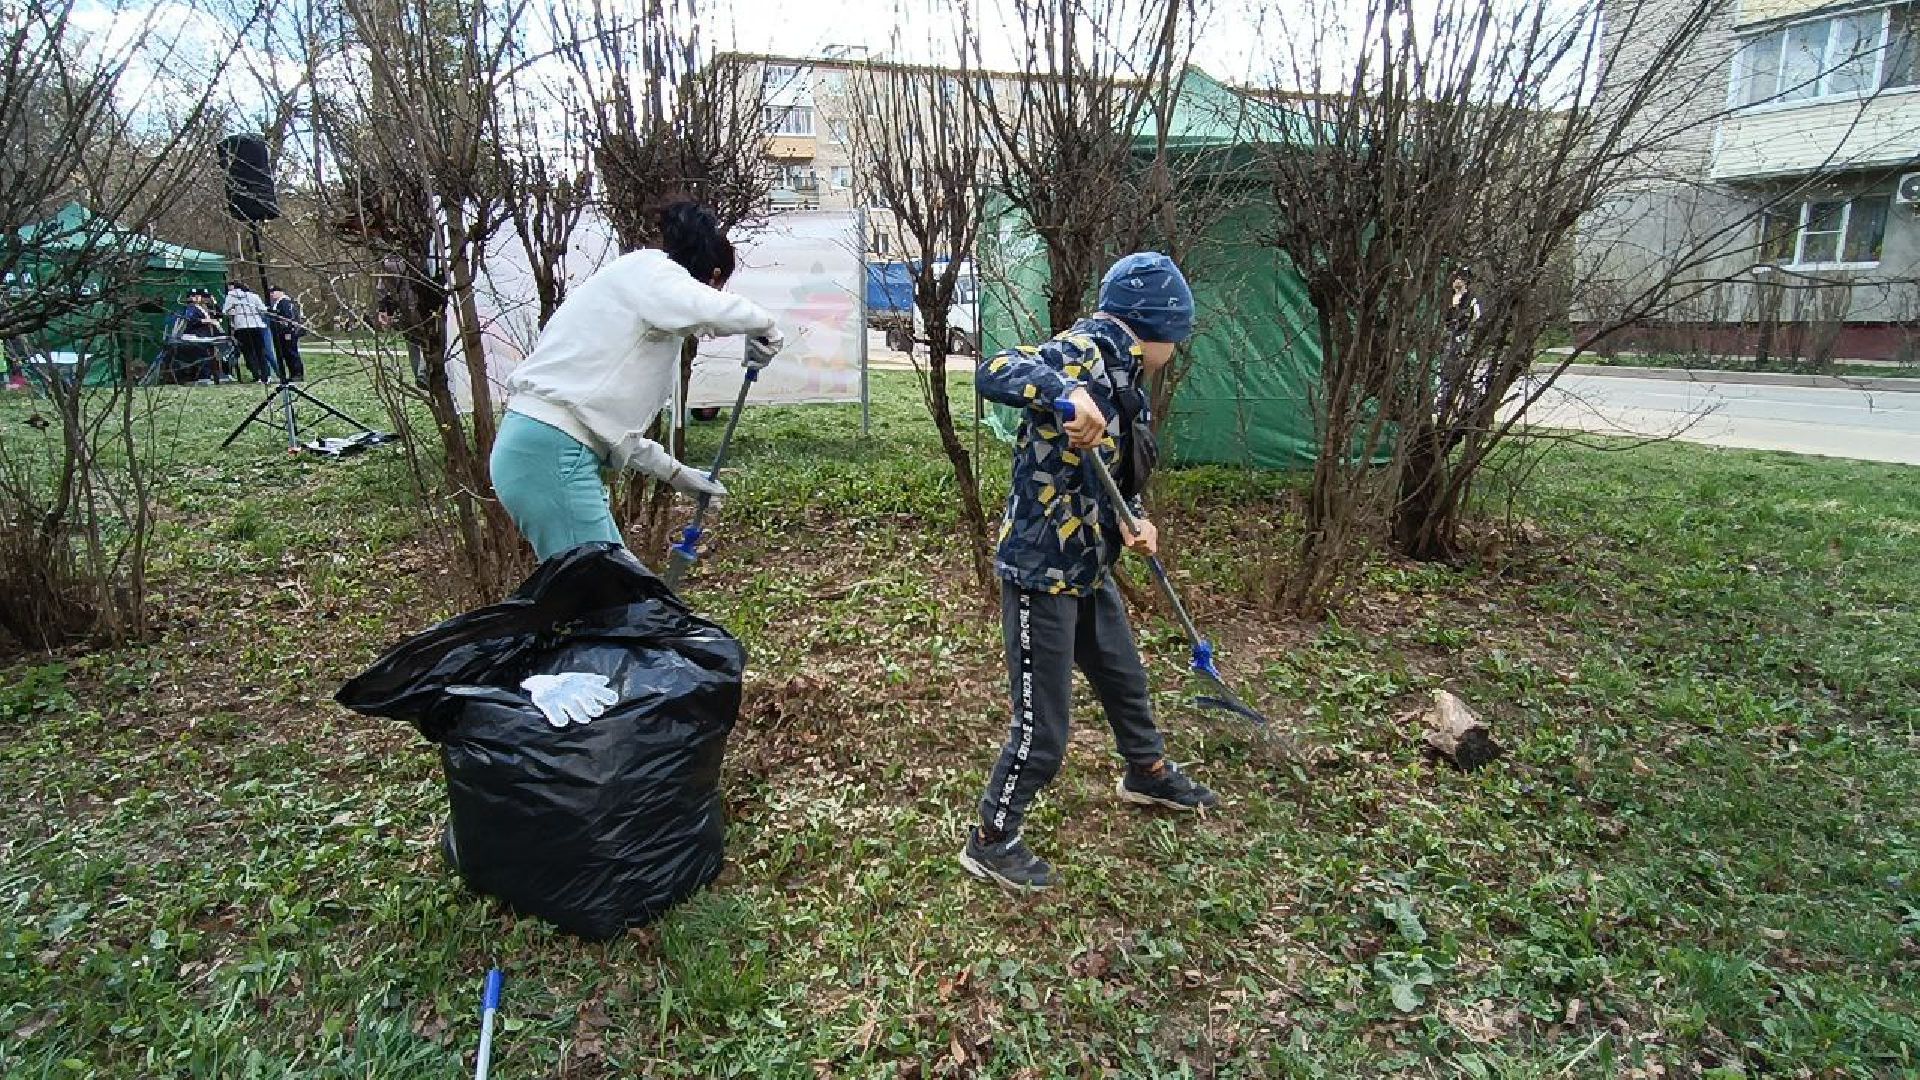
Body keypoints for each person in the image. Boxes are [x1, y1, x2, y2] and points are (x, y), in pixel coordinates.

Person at [960, 251, 1219, 893]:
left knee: (1125, 678)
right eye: (1177, 336)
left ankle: (1147, 772)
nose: (1176, 349)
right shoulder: (1080, 353)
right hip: (1042, 567)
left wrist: (1137, 517)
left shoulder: (1129, 376)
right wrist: (1063, 391)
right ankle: (992, 838)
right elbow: (994, 369)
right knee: (1043, 727)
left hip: (1089, 562)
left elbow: (1120, 468)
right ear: (1158, 325)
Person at [490, 200, 785, 563]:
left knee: (614, 591)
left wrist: (674, 472)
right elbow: (707, 308)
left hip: (550, 453)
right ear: (713, 275)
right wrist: (766, 326)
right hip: (549, 456)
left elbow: (609, 427)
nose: (716, 297)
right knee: (609, 601)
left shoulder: (643, 308)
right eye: (718, 288)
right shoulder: (652, 272)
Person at [223, 282, 275, 382]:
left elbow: (225, 311)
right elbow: (263, 310)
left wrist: (233, 312)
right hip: (256, 326)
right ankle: (266, 375)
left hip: (242, 327)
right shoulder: (254, 296)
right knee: (260, 352)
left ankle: (257, 375)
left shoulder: (231, 296)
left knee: (248, 353)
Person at [174, 289, 227, 385]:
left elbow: (218, 314)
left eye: (198, 296)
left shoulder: (202, 307)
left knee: (211, 355)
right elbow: (191, 320)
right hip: (196, 335)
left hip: (206, 335)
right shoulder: (191, 308)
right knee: (204, 356)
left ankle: (213, 375)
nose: (198, 297)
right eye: (194, 296)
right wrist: (207, 321)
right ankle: (204, 377)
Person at [267, 286, 306, 381]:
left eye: (274, 292)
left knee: (291, 352)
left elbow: (289, 318)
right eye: (271, 292)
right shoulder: (278, 303)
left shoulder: (285, 302)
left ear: (281, 292)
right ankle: (293, 374)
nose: (272, 294)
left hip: (288, 332)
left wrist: (288, 331)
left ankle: (297, 374)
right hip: (282, 331)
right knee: (286, 353)